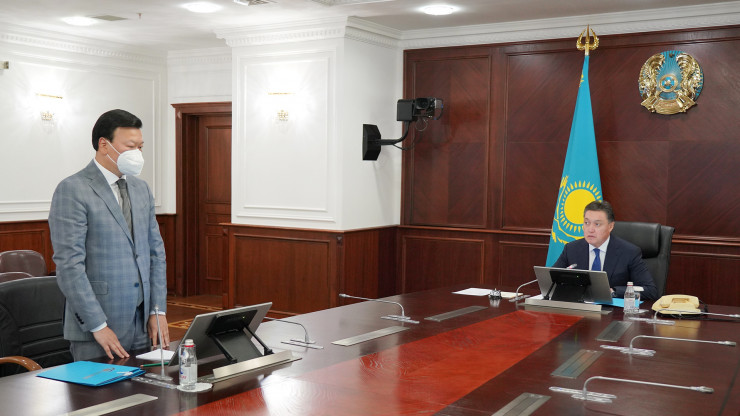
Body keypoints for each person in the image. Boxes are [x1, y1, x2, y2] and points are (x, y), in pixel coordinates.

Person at [49, 109, 169, 361]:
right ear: (104, 145)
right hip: (99, 328)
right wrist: (98, 325)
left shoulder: (141, 188)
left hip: (143, 323)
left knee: (147, 387)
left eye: (140, 147)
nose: (137, 154)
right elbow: (69, 265)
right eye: (130, 146)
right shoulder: (73, 189)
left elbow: (155, 253)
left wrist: (157, 311)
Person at [552, 200, 658, 300]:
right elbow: (550, 282)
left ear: (610, 226)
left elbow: (650, 291)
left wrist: (613, 292)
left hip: (611, 310)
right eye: (587, 223)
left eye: (597, 224)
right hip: (579, 307)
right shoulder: (571, 249)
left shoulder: (629, 252)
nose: (590, 229)